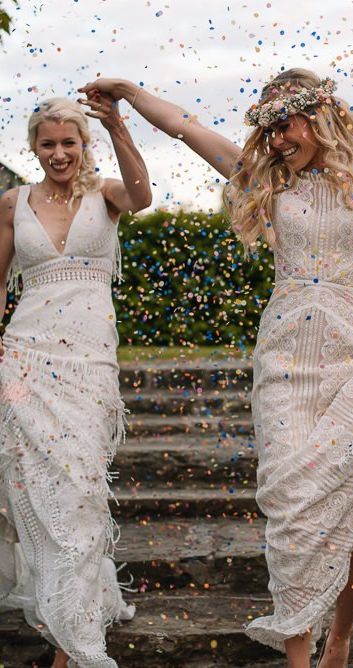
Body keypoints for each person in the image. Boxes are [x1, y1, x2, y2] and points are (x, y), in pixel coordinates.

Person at [80, 69, 353, 668]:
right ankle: (299, 658)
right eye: (266, 129)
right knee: (292, 508)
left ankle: (340, 634)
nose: (275, 140)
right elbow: (188, 129)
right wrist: (133, 95)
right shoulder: (262, 178)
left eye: (285, 125)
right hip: (286, 356)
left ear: (318, 117)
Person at [0, 97, 151, 667]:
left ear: (83, 144)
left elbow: (143, 196)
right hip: (24, 357)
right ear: (34, 147)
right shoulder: (13, 202)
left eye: (70, 142)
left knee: (82, 491)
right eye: (48, 144)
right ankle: (66, 627)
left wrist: (117, 126)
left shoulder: (105, 194)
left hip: (89, 361)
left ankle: (74, 637)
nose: (59, 153)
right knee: (35, 494)